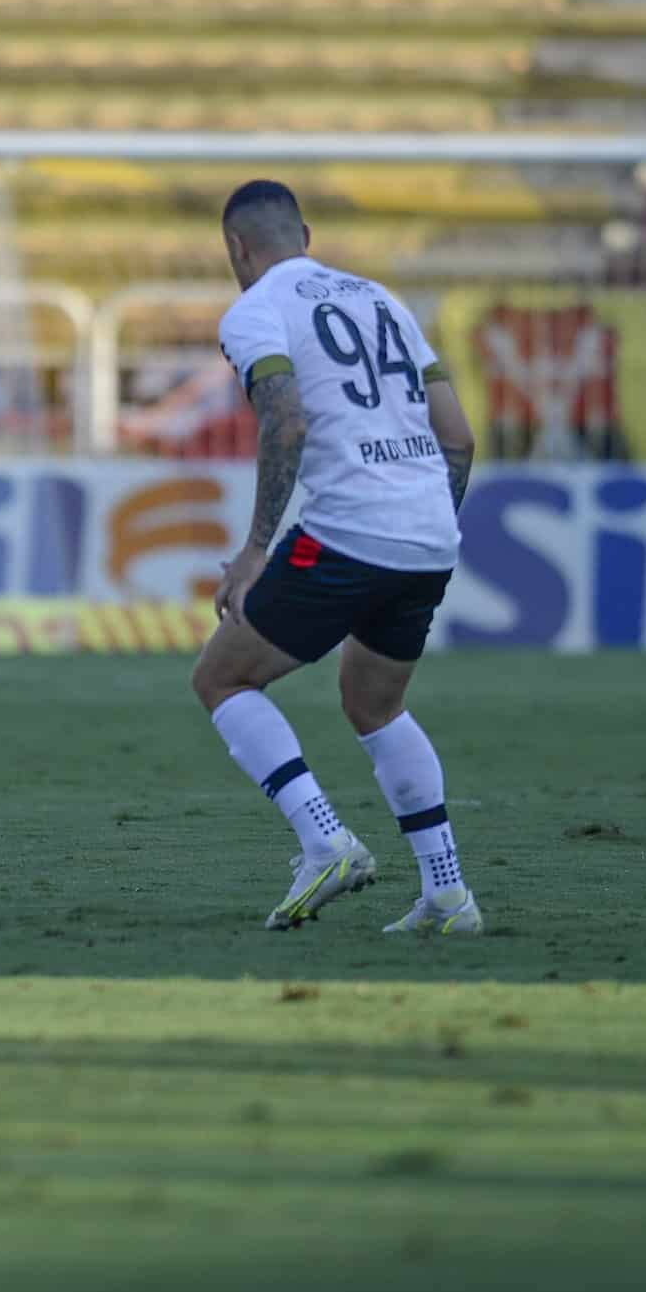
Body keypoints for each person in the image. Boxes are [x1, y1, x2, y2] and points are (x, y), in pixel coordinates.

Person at [192, 179, 483, 937]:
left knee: (222, 677)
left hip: (351, 527)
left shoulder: (256, 310)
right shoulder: (385, 301)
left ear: (236, 248)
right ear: (307, 234)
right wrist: (419, 529)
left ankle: (324, 839)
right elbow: (460, 436)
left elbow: (284, 421)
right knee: (376, 704)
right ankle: (448, 893)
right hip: (428, 532)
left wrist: (255, 550)